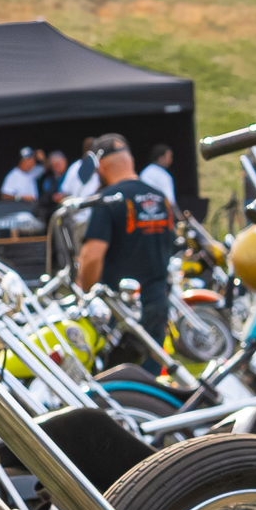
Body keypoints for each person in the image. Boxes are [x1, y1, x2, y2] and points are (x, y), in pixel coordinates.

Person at [76, 133, 177, 372]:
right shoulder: (160, 197)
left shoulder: (108, 200)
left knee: (118, 380)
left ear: (101, 166)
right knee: (150, 379)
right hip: (157, 302)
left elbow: (92, 257)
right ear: (129, 160)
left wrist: (87, 297)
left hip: (120, 311)